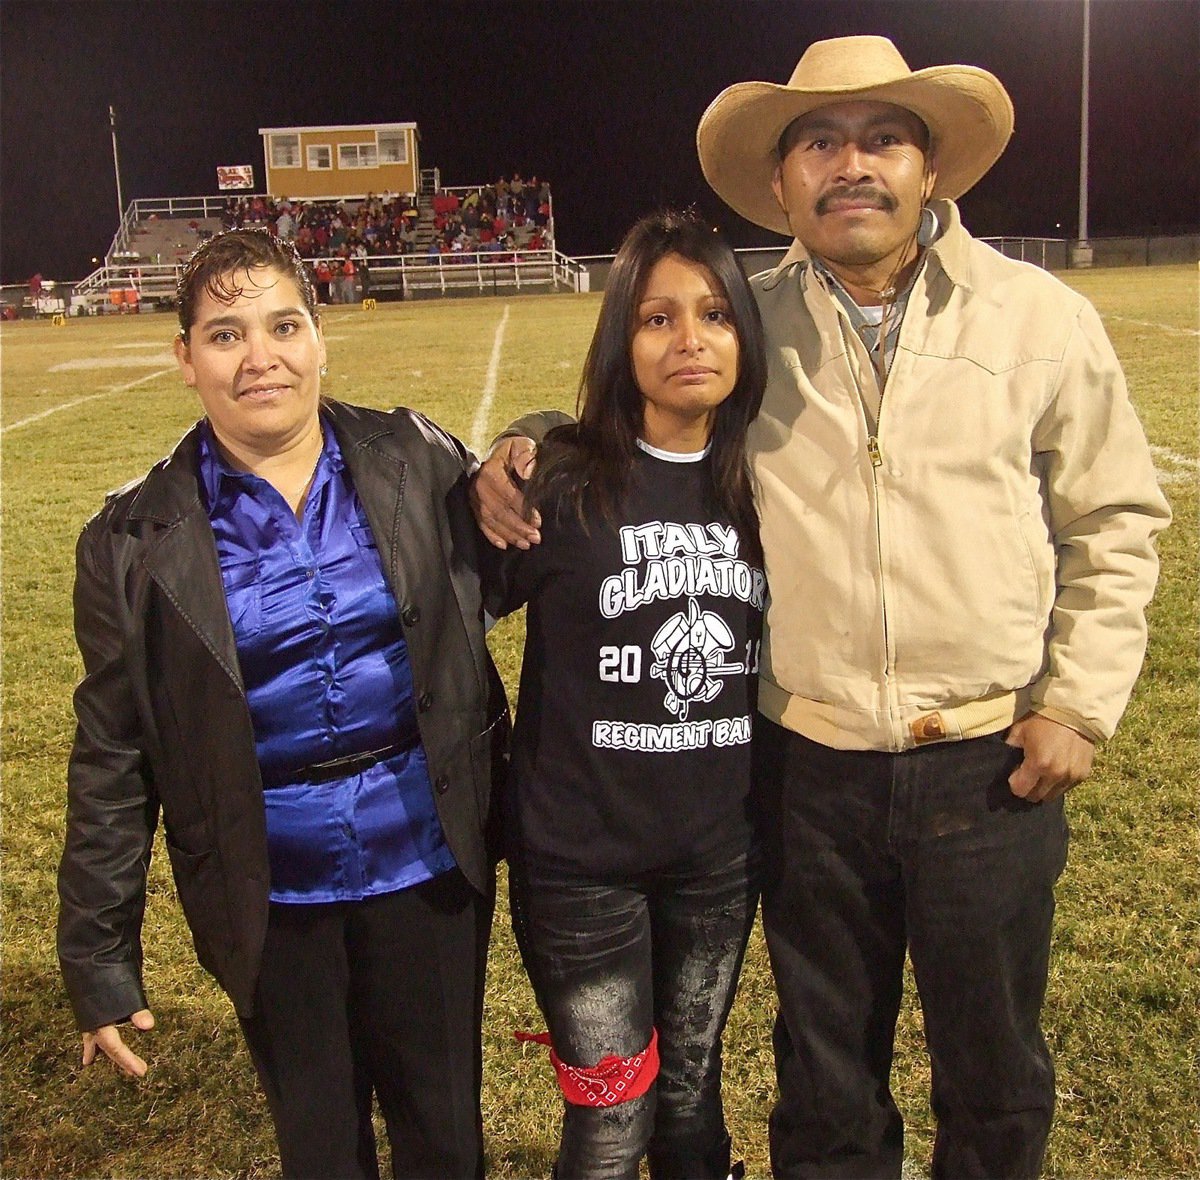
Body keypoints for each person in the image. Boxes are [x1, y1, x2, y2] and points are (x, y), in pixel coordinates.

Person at [473, 35, 1170, 1180]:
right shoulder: (752, 319)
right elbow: (643, 409)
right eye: (821, 143)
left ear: (930, 168)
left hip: (986, 761)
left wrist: (1079, 704)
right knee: (825, 1077)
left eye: (884, 137)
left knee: (994, 1073)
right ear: (785, 180)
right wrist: (538, 430)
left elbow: (1115, 519)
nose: (854, 164)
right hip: (805, 768)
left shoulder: (1038, 318)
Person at [57, 228, 508, 1180]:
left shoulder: (413, 457)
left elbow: (524, 534)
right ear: (185, 358)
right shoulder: (132, 537)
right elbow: (113, 754)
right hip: (269, 890)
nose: (260, 357)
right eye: (225, 334)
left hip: (428, 864)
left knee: (445, 1133)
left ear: (320, 337)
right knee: (318, 1143)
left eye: (283, 325)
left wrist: (535, 439)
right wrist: (98, 955)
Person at [485, 210, 767, 1180]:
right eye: (658, 317)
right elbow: (445, 614)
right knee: (611, 1122)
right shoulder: (559, 478)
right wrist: (507, 449)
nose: (690, 339)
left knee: (692, 1099)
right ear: (622, 337)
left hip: (717, 862)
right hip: (579, 868)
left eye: (716, 314)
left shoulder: (768, 484)